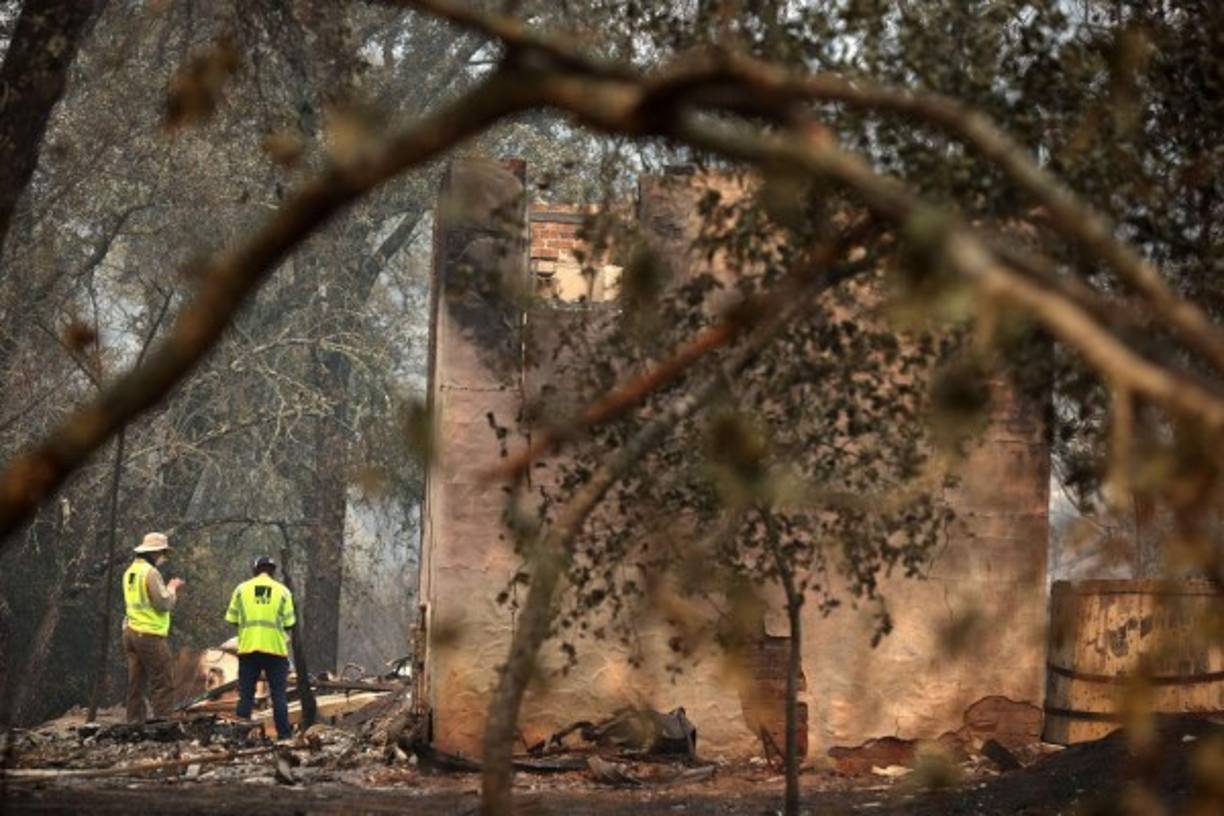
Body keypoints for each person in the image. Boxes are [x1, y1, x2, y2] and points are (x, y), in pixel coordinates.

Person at [225, 555, 296, 740]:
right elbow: (290, 623)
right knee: (279, 696)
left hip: (249, 650)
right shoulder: (283, 592)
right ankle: (284, 736)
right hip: (275, 651)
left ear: (255, 570)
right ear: (273, 571)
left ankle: (240, 737)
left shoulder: (241, 589)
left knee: (246, 695)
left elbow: (232, 618)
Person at [122, 532, 184, 723]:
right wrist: (172, 588)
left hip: (130, 631)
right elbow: (163, 603)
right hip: (149, 634)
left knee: (136, 683)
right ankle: (163, 723)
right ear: (155, 552)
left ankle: (134, 724)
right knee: (163, 680)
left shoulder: (130, 571)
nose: (163, 557)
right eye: (162, 553)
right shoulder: (150, 572)